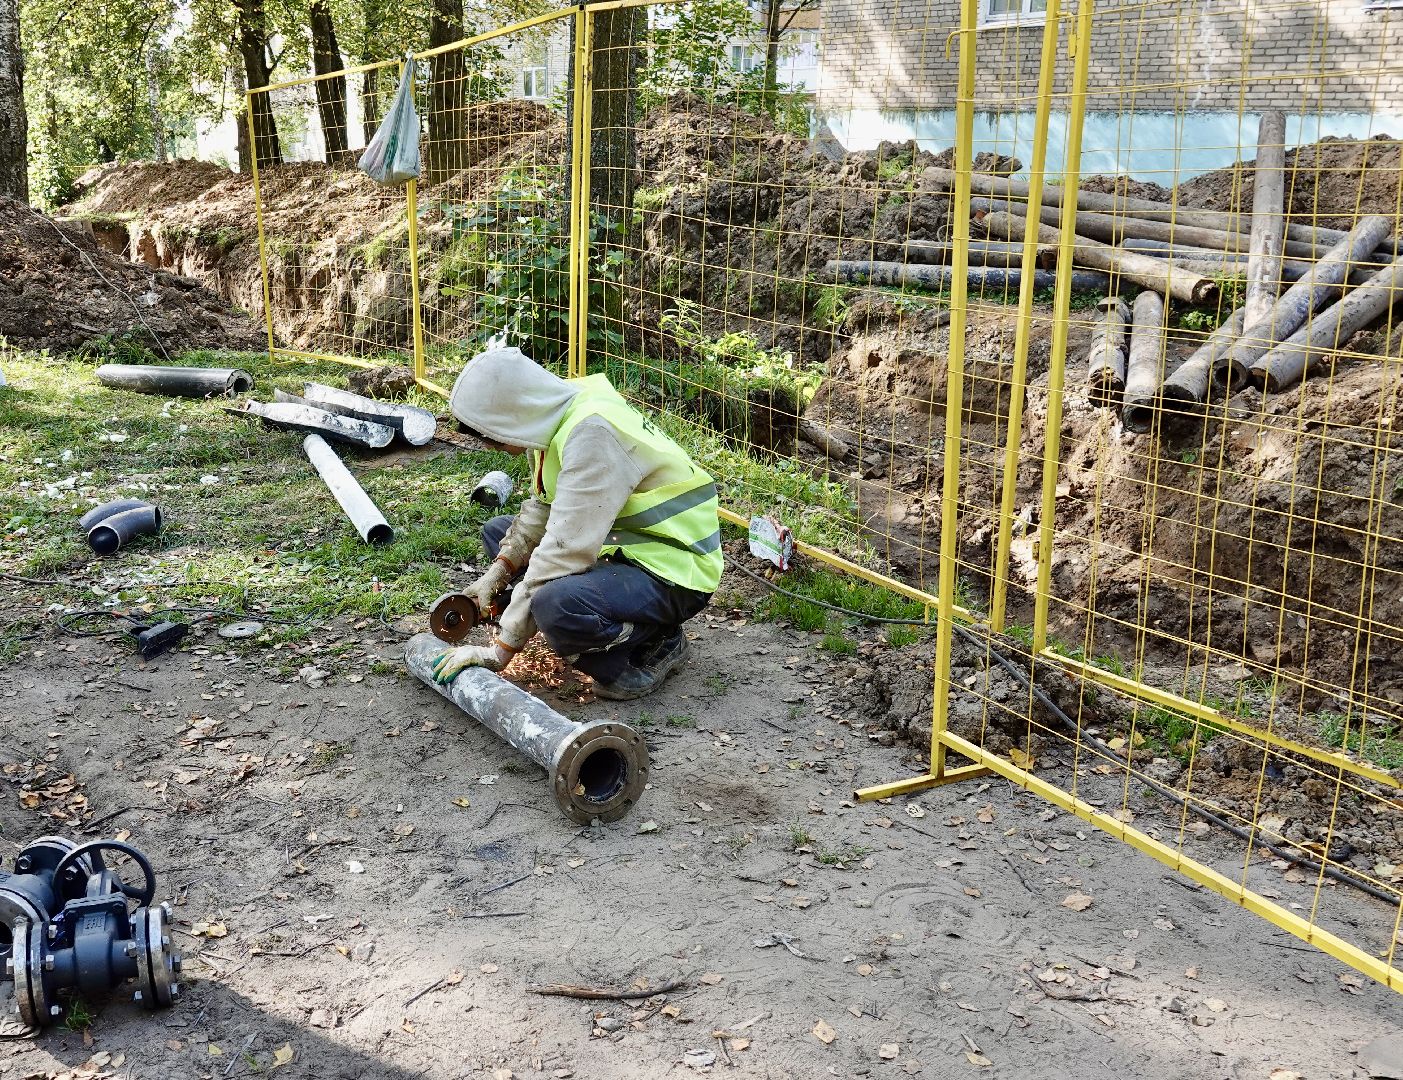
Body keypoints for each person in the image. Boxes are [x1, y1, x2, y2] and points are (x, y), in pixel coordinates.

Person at [431, 347, 722, 700]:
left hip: (674, 568)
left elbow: (564, 550)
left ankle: (654, 642)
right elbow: (545, 506)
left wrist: (500, 652)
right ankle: (559, 616)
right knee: (499, 533)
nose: (491, 446)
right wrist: (496, 574)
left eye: (490, 434)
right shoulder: (556, 411)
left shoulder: (592, 434)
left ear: (512, 413)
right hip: (624, 542)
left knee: (556, 605)